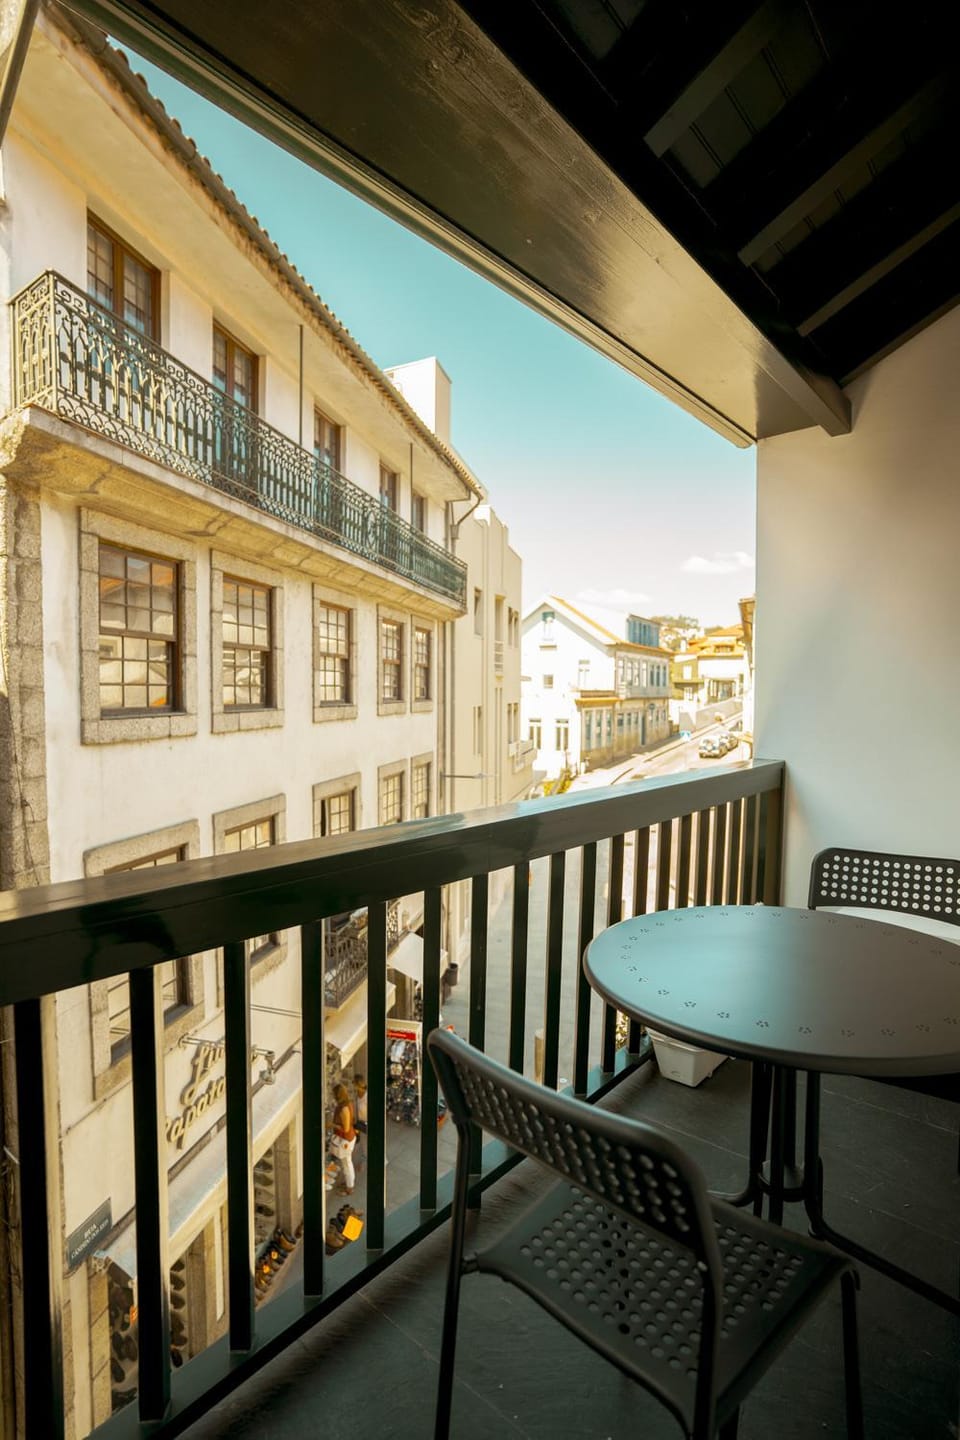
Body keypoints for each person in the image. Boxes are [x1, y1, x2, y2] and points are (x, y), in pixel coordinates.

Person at [331, 1082, 357, 1194]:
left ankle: (349, 1188)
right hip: (349, 1138)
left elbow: (345, 1129)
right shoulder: (347, 1104)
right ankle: (349, 1183)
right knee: (347, 1163)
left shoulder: (344, 1109)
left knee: (347, 1164)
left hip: (346, 1139)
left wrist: (332, 1125)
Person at [353, 1076, 368, 1175]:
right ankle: (364, 1161)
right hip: (361, 1124)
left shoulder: (367, 1097)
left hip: (368, 1123)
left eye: (354, 1084)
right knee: (363, 1144)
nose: (353, 1087)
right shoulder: (357, 1095)